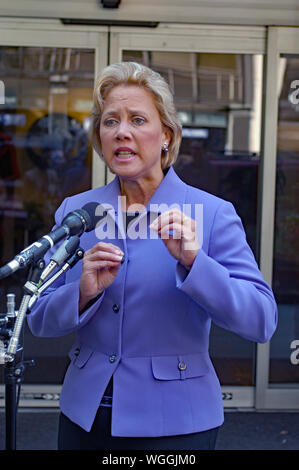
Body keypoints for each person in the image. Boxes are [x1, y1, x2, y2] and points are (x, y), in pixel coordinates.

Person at [27, 62, 278, 450]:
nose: (121, 132)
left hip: (178, 422)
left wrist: (197, 264)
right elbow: (39, 318)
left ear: (166, 135)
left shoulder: (211, 213)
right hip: (86, 417)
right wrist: (82, 294)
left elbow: (261, 321)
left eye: (137, 119)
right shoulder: (77, 211)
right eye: (110, 121)